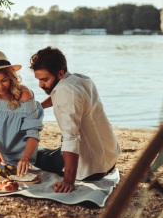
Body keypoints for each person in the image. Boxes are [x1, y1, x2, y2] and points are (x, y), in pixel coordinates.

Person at [31, 46, 121, 193]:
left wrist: (68, 181)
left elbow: (71, 138)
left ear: (60, 73)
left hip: (92, 170)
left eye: (44, 80)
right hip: (108, 161)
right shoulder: (80, 79)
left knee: (34, 154)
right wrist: (38, 107)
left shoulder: (66, 91)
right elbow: (57, 94)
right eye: (39, 80)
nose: (40, 85)